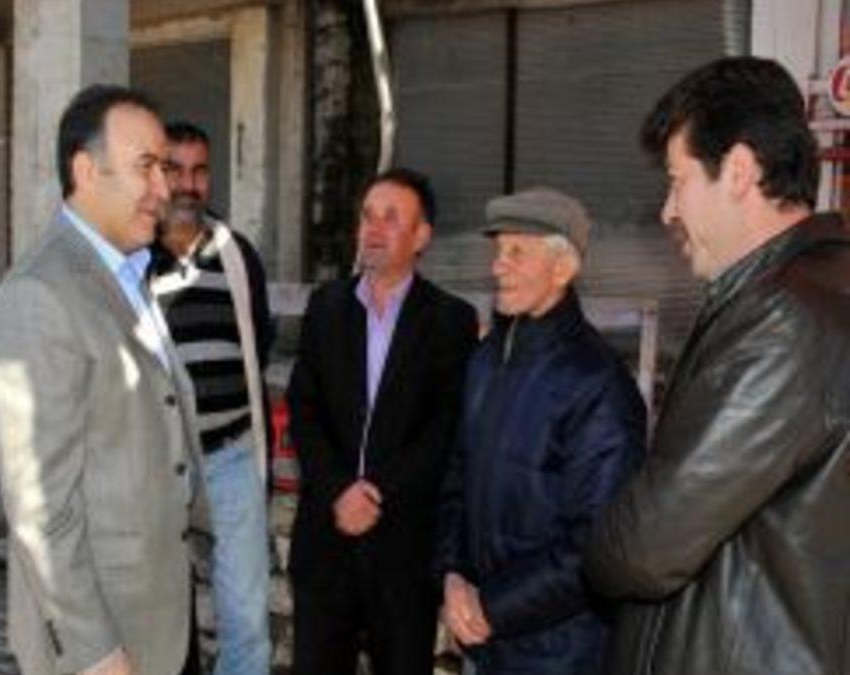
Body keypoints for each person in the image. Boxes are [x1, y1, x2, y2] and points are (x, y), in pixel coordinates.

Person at [584, 56, 850, 674]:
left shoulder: (784, 322)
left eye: (677, 182)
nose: (667, 212)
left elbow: (644, 547)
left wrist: (595, 547)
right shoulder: (801, 293)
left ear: (738, 171)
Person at [0, 85, 206, 675]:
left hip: (160, 613)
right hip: (102, 639)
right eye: (146, 167)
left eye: (164, 169)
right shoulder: (39, 294)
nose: (165, 189)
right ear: (86, 171)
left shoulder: (127, 270)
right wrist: (93, 649)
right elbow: (39, 504)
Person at [433, 188, 647, 674]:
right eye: (497, 250)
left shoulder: (598, 383)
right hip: (487, 641)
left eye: (517, 252)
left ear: (563, 269)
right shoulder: (485, 360)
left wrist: (492, 607)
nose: (497, 266)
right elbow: (456, 480)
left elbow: (596, 544)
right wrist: (452, 575)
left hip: (560, 653)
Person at [286, 168, 478, 675]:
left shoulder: (450, 320)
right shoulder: (326, 306)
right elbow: (304, 408)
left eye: (391, 218)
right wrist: (338, 491)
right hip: (326, 540)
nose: (373, 228)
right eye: (368, 216)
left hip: (403, 548)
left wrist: (375, 494)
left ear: (421, 236)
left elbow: (444, 429)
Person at [148, 122, 273, 675]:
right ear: (156, 174)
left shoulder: (237, 255)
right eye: (174, 169)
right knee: (162, 618)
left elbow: (256, 345)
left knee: (247, 619)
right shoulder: (133, 255)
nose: (188, 184)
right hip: (157, 465)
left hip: (230, 458)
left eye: (199, 171)